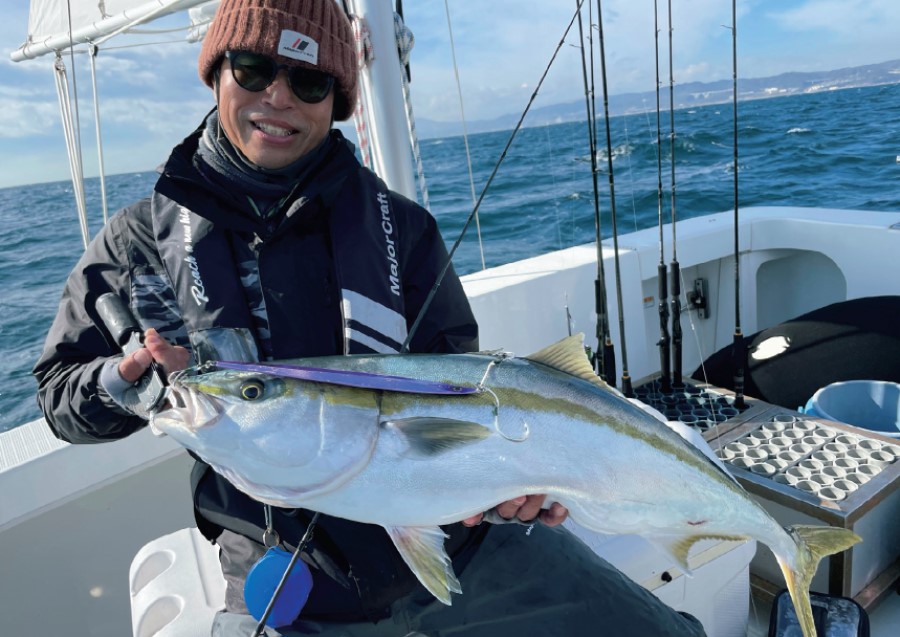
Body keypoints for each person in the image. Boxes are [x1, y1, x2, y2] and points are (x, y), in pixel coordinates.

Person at [33, 1, 707, 635]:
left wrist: (518, 480)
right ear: (217, 73)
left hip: (462, 537)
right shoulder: (139, 242)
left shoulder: (403, 230)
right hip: (284, 573)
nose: (279, 97)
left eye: (309, 81)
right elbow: (60, 392)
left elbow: (459, 386)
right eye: (255, 69)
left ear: (339, 101)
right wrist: (121, 383)